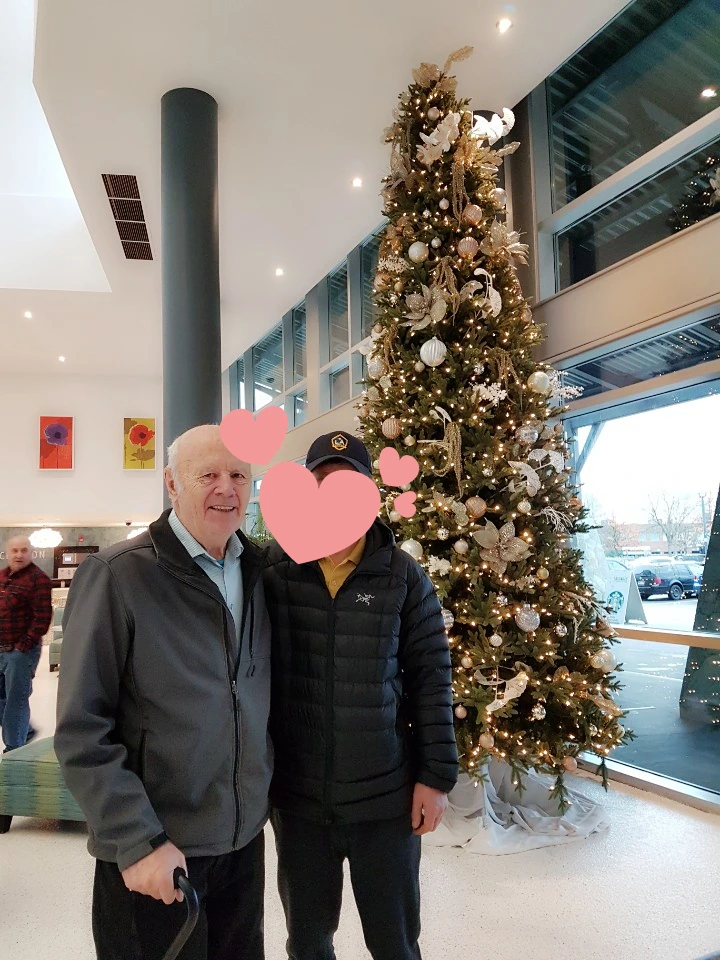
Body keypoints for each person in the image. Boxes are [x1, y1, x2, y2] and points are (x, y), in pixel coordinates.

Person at [55, 425, 272, 960]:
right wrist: (138, 840)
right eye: (208, 475)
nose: (226, 488)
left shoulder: (263, 571)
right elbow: (83, 730)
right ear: (172, 484)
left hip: (242, 845)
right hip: (157, 854)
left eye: (238, 475)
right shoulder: (117, 576)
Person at [264, 430, 459, 960]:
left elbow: (432, 677)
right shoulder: (274, 570)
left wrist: (436, 777)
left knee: (394, 942)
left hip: (385, 800)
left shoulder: (402, 576)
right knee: (308, 941)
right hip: (299, 802)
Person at [0, 536, 51, 752]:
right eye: (15, 550)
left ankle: (14, 750)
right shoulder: (3, 576)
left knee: (15, 701)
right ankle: (26, 730)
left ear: (31, 552)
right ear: (7, 553)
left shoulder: (39, 579)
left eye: (24, 550)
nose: (19, 555)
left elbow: (42, 618)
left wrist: (23, 647)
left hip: (20, 652)